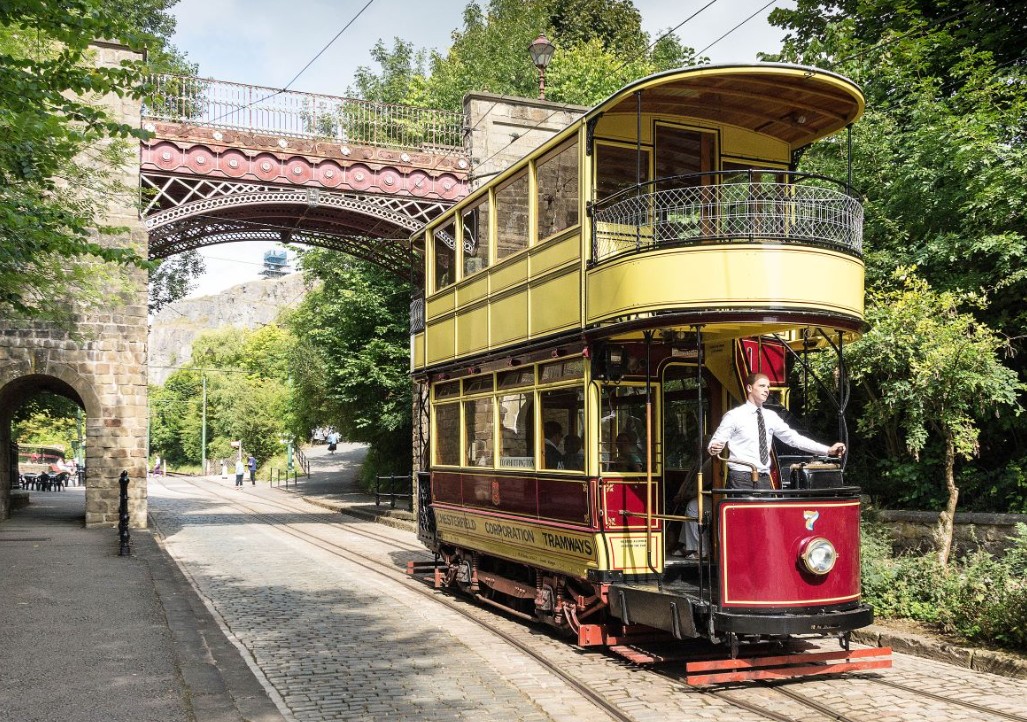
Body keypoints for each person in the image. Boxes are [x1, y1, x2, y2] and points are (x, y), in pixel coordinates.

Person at [708, 372, 846, 490]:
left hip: (764, 478)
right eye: (762, 386)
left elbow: (794, 439)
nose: (766, 390)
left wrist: (828, 450)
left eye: (768, 386)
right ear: (749, 388)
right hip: (740, 478)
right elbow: (716, 442)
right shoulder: (734, 415)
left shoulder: (770, 416)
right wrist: (714, 447)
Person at [669, 455, 713, 559]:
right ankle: (689, 546)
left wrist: (685, 496)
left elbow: (701, 486)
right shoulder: (701, 460)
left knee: (693, 507)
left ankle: (701, 549)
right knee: (691, 505)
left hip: (716, 500)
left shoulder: (712, 461)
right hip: (706, 497)